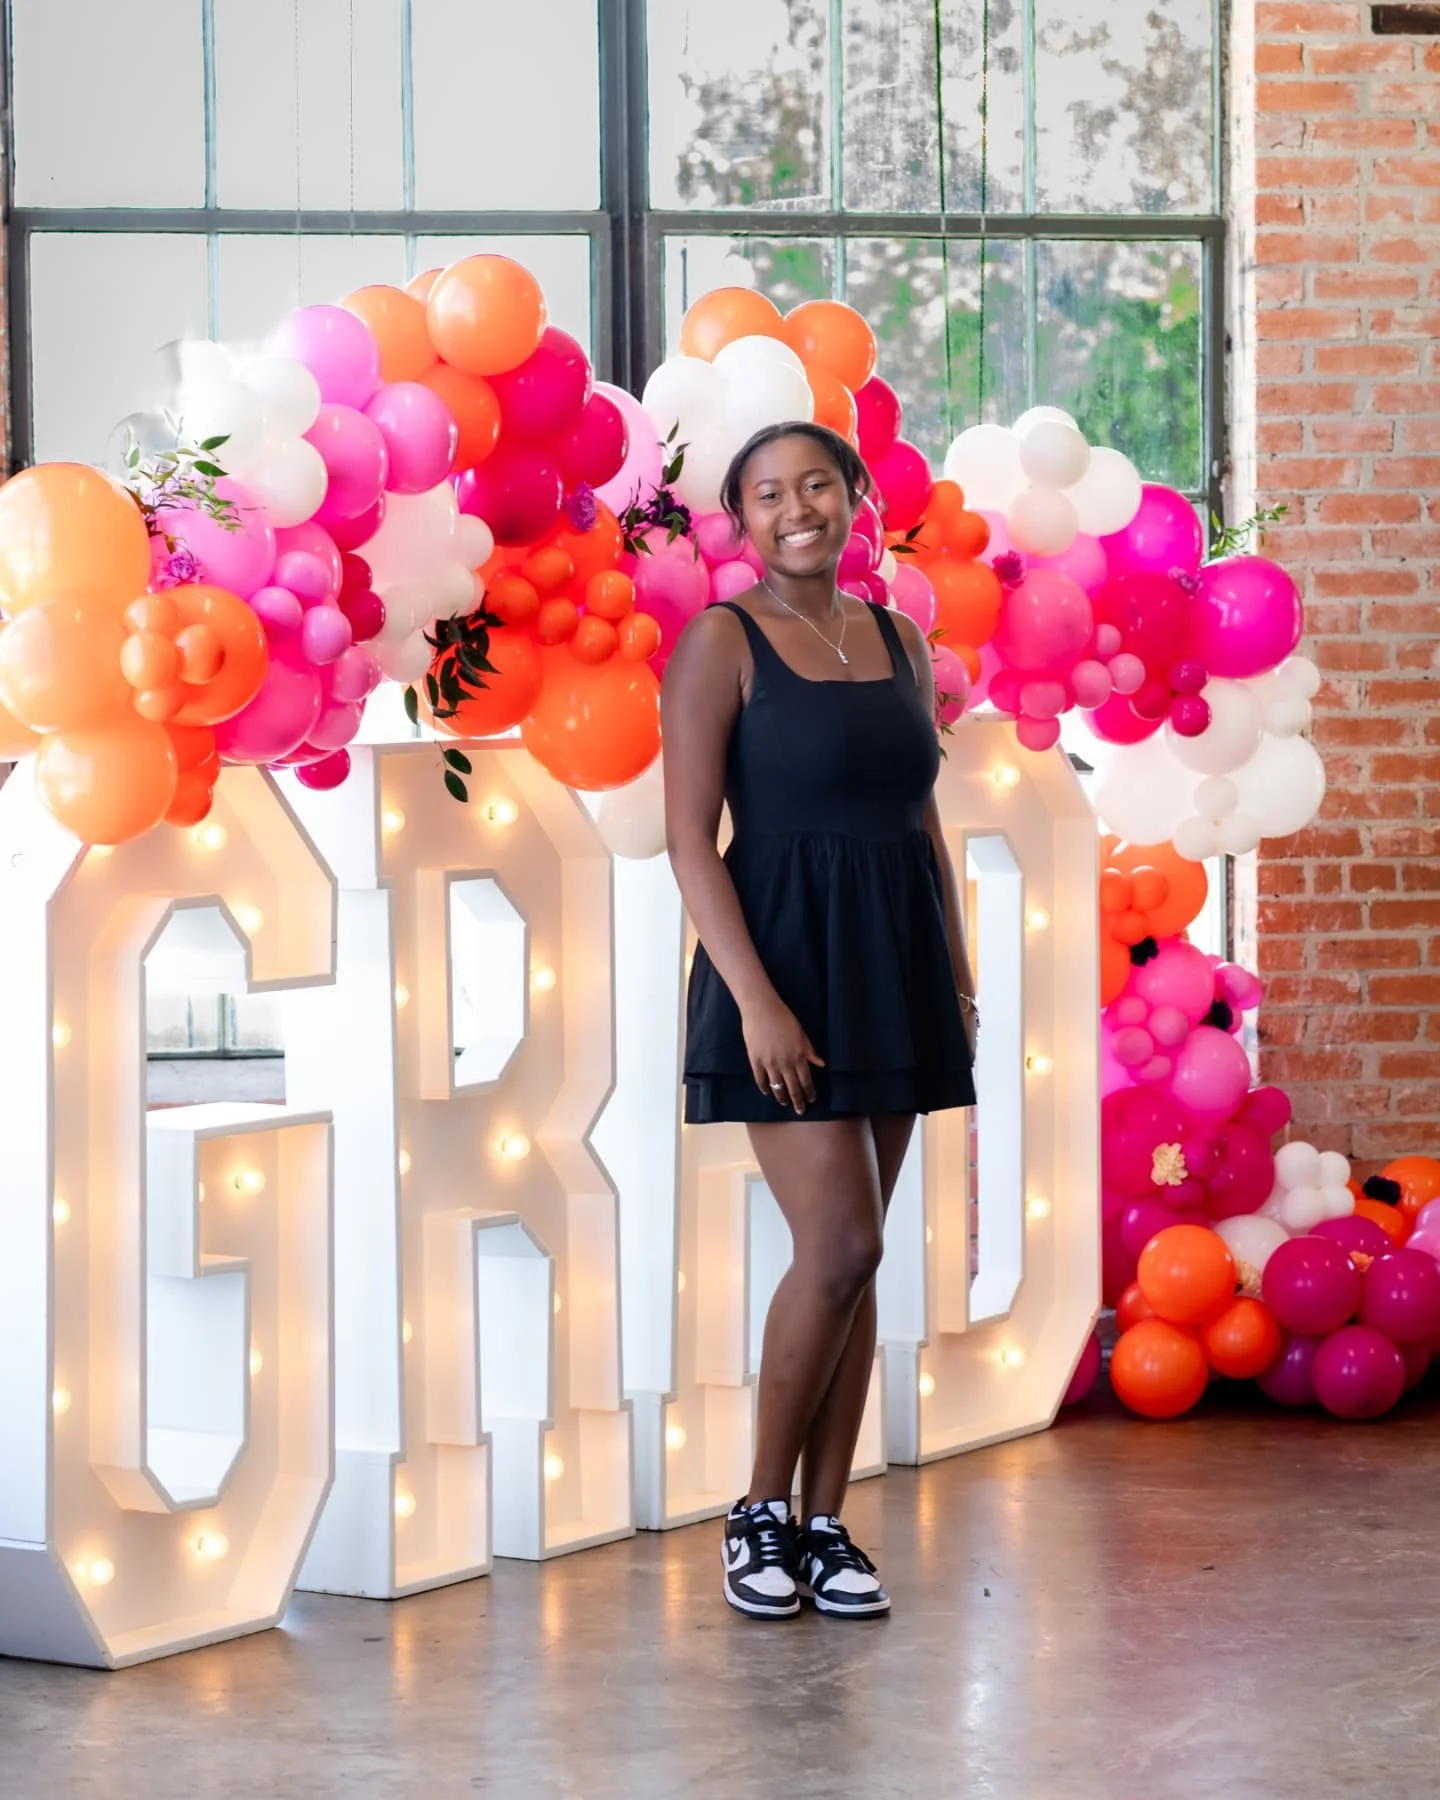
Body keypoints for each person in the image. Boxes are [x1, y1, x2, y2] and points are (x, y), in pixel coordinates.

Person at [662, 421, 978, 1622]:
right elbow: (691, 841)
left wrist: (954, 976)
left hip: (894, 963)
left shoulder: (900, 639)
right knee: (838, 1244)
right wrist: (756, 1002)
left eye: (816, 486)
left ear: (855, 498)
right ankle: (757, 1511)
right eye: (767, 494)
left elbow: (921, 817)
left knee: (861, 1256)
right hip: (783, 965)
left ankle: (827, 1524)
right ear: (740, 519)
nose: (795, 509)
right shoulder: (720, 642)